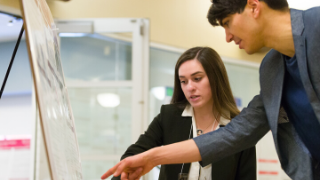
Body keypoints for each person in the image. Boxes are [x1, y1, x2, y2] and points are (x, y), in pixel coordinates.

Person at [101, 0, 320, 179]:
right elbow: (236, 134)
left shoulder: (316, 24)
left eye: (227, 23)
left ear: (254, 7)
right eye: (184, 81)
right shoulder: (271, 68)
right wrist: (152, 157)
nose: (227, 37)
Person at [110, 47, 256, 180]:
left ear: (216, 78)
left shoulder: (239, 126)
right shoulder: (169, 116)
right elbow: (134, 155)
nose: (189, 87)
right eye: (183, 81)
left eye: (197, 79)